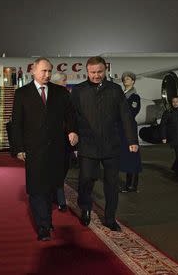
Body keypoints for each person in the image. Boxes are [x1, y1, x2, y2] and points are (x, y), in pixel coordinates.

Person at [11, 57, 78, 241]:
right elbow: (16, 123)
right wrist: (18, 148)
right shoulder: (22, 94)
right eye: (43, 71)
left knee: (50, 188)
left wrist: (72, 130)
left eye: (49, 71)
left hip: (57, 149)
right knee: (36, 189)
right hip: (34, 150)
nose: (47, 75)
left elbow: (71, 114)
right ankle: (43, 226)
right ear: (33, 70)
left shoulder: (60, 93)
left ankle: (46, 220)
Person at [71, 56, 138, 231]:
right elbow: (72, 116)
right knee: (86, 179)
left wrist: (132, 140)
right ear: (87, 71)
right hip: (87, 144)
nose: (96, 75)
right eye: (93, 72)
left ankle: (110, 218)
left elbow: (126, 116)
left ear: (105, 70)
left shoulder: (115, 90)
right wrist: (72, 133)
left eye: (100, 71)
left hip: (111, 145)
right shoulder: (78, 91)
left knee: (111, 184)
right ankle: (85, 208)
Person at [50, 71, 71, 212]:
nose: (66, 84)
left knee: (64, 167)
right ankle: (60, 199)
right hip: (53, 140)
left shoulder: (67, 96)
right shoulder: (48, 97)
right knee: (57, 169)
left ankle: (55, 192)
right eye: (64, 81)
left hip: (66, 139)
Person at [119, 72, 142, 193]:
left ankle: (132, 185)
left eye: (128, 79)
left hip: (129, 128)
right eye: (124, 79)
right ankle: (128, 184)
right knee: (126, 156)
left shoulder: (134, 97)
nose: (125, 80)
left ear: (133, 81)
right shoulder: (121, 95)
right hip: (121, 128)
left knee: (132, 155)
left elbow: (132, 112)